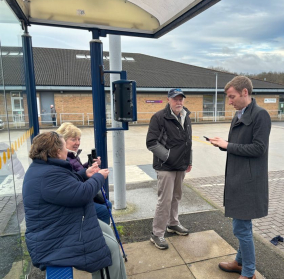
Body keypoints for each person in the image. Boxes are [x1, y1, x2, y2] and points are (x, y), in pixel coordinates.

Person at [22, 131, 127, 278]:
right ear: (57, 151)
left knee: (109, 235)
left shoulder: (44, 168)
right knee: (109, 249)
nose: (68, 150)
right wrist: (98, 177)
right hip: (53, 238)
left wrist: (85, 174)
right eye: (65, 146)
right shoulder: (48, 175)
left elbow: (66, 186)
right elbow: (82, 194)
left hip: (59, 224)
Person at [209, 76, 271, 279]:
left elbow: (259, 149)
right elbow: (237, 147)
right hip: (237, 178)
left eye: (232, 97)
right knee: (242, 226)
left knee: (241, 228)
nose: (230, 101)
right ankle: (239, 262)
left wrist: (228, 145)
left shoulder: (261, 115)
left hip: (249, 181)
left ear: (245, 93)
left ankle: (249, 272)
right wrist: (222, 144)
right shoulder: (239, 114)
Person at [146, 88, 192, 250]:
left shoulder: (186, 116)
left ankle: (173, 224)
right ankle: (157, 233)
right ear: (168, 100)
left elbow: (188, 141)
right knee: (164, 200)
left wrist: (189, 160)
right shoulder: (159, 117)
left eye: (181, 99)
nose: (179, 102)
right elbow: (151, 142)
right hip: (165, 166)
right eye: (175, 99)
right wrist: (169, 157)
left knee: (177, 196)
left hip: (181, 165)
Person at [56, 123, 113, 225]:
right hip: (74, 199)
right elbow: (74, 177)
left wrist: (90, 165)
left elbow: (79, 170)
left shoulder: (72, 155)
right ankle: (100, 235)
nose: (77, 143)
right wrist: (97, 176)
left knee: (107, 204)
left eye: (79, 139)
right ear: (63, 141)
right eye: (73, 139)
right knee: (105, 210)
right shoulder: (65, 158)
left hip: (77, 195)